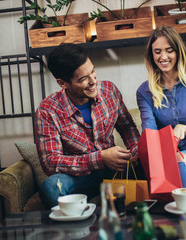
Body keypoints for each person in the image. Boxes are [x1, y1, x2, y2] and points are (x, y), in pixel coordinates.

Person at [35, 43, 140, 209]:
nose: (93, 81)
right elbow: (50, 162)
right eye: (83, 79)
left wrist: (135, 152)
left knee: (145, 164)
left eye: (92, 71)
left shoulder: (109, 91)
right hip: (78, 177)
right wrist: (100, 158)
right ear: (63, 83)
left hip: (115, 171)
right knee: (51, 187)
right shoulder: (48, 110)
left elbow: (128, 128)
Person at [136, 26, 186, 199]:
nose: (163, 57)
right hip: (165, 157)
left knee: (183, 161)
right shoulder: (144, 91)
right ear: (151, 56)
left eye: (169, 50)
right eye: (157, 52)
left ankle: (181, 218)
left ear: (178, 52)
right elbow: (149, 131)